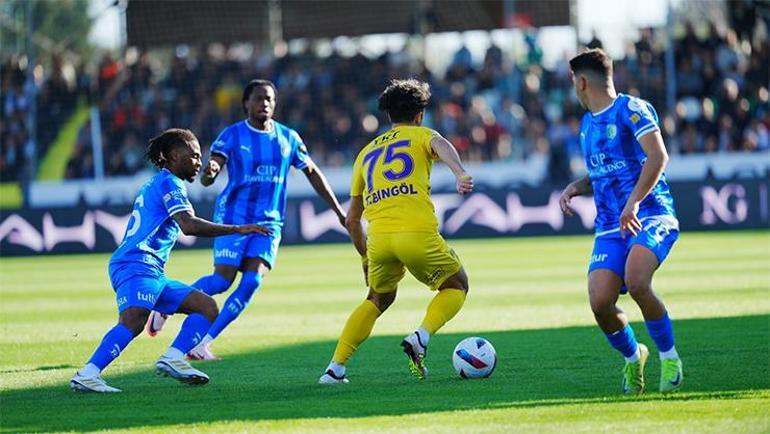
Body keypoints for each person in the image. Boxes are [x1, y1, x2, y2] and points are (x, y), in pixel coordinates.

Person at [145, 79, 346, 360]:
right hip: (233, 216)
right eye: (259, 98)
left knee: (252, 281)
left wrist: (338, 211)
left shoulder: (289, 138)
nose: (265, 103)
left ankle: (202, 343)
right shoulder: (232, 136)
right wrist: (210, 172)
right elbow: (209, 171)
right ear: (246, 103)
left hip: (269, 223)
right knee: (222, 281)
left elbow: (312, 172)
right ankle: (167, 304)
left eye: (270, 99)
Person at [70, 129, 272, 393]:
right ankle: (89, 373)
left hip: (151, 268)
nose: (199, 162)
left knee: (206, 307)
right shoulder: (169, 183)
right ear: (172, 156)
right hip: (136, 262)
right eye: (194, 156)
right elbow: (188, 225)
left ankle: (173, 358)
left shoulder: (160, 182)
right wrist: (237, 229)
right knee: (133, 320)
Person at [319, 79, 474, 384]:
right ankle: (422, 336)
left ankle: (335, 368)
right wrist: (460, 172)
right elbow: (440, 144)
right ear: (420, 114)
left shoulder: (364, 154)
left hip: (379, 240)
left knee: (377, 299)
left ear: (388, 116)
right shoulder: (422, 135)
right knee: (457, 285)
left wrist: (366, 257)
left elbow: (352, 220)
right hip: (416, 233)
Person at [559, 49, 683, 395]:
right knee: (600, 301)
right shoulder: (587, 125)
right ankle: (633, 357)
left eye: (573, 82)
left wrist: (634, 203)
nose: (574, 89)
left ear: (582, 82)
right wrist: (576, 186)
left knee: (637, 280)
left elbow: (658, 156)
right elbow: (602, 171)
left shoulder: (632, 109)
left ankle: (669, 356)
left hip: (651, 214)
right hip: (611, 227)